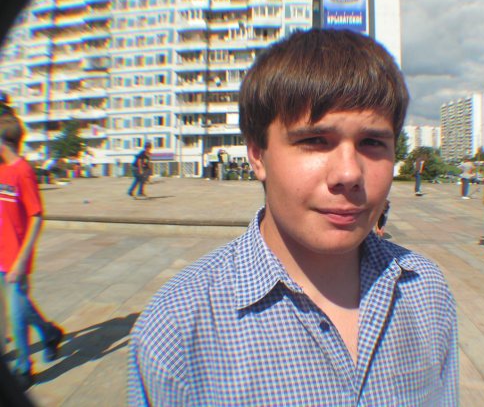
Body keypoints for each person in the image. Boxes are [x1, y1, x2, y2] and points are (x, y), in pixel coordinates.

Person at [129, 29, 458, 406]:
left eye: (372, 143)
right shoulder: (177, 329)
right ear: (257, 155)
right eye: (315, 141)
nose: (349, 173)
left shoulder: (425, 291)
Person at [0, 108, 63, 391]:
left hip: (16, 256)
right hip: (1, 252)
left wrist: (20, 261)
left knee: (17, 315)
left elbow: (36, 216)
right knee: (20, 307)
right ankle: (49, 331)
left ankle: (24, 369)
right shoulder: (2, 169)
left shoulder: (23, 171)